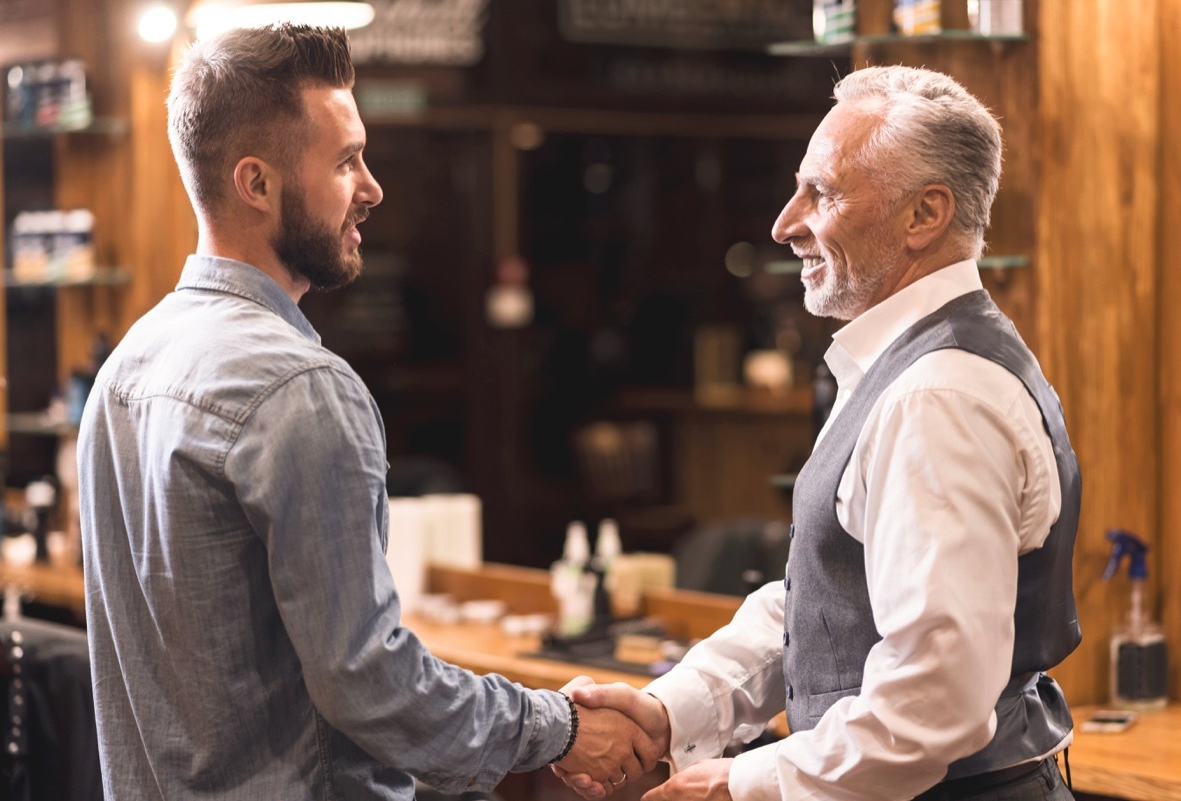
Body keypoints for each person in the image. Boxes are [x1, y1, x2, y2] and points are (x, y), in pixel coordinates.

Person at [77, 24, 660, 801]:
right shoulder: (301, 388)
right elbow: (373, 685)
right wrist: (558, 725)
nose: (374, 186)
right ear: (256, 183)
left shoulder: (124, 368)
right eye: (346, 160)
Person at [556, 65, 1081, 801]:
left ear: (924, 215)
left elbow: (936, 697)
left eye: (822, 192)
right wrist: (671, 707)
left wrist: (748, 781)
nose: (784, 223)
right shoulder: (905, 368)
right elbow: (827, 602)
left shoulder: (936, 395)